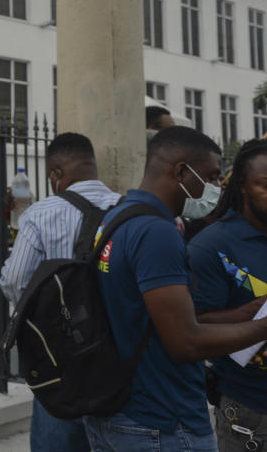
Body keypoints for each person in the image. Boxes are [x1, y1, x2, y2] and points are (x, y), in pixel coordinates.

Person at [85, 126, 267, 451]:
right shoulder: (158, 233)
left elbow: (150, 317)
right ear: (181, 172)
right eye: (211, 177)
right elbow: (186, 343)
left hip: (120, 412)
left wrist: (248, 312)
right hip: (162, 421)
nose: (214, 189)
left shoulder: (116, 218)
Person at [0, 132, 120, 450]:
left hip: (64, 362)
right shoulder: (127, 209)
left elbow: (14, 281)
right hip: (119, 360)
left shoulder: (41, 214)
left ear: (56, 173)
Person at [189, 139, 267, 450]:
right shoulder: (210, 247)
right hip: (251, 410)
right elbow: (195, 325)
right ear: (243, 187)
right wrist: (254, 312)